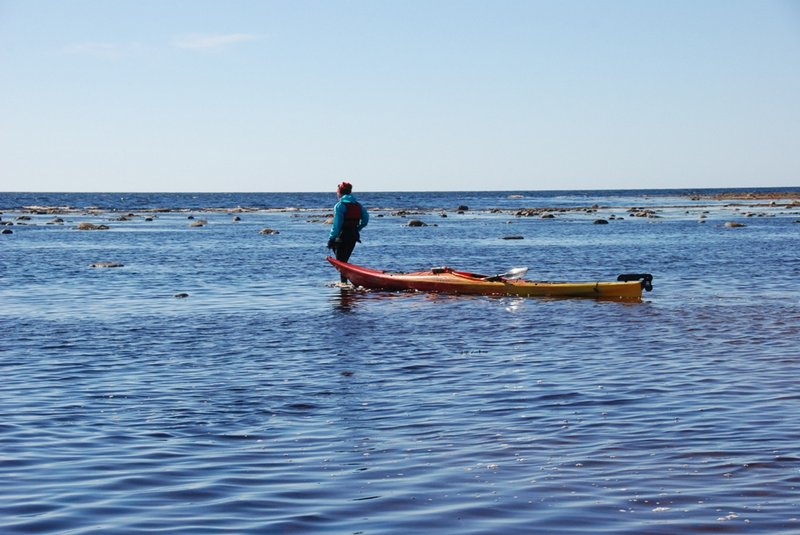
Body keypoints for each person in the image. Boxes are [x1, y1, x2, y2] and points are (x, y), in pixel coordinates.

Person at [327, 181, 369, 281]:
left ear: (340, 192)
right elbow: (366, 219)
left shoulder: (339, 205)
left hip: (341, 237)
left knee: (341, 264)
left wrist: (331, 238)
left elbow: (337, 225)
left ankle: (344, 286)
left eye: (337, 192)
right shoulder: (358, 205)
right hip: (353, 236)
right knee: (344, 262)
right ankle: (346, 285)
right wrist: (357, 228)